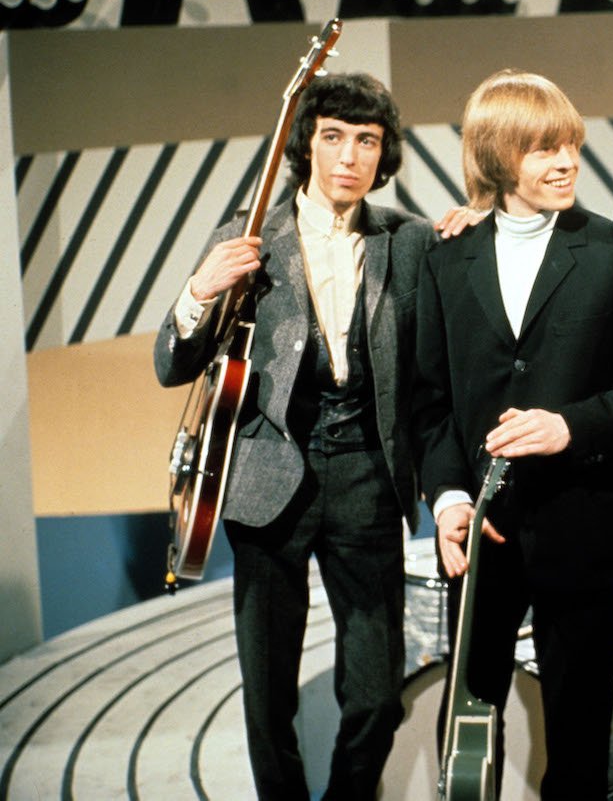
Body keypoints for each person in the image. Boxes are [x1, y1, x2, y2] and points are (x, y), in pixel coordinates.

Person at [154, 72, 435, 800]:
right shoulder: (246, 237)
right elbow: (171, 362)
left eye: (366, 140)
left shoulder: (409, 240)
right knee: (267, 692)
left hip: (368, 482)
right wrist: (200, 290)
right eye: (333, 136)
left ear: (384, 153)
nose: (349, 155)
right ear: (306, 144)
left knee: (375, 693)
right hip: (267, 482)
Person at [413, 69, 613, 801]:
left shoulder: (607, 254)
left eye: (571, 145)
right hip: (480, 540)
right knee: (467, 727)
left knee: (580, 740)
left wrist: (569, 426)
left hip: (581, 533)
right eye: (543, 150)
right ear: (498, 157)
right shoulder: (444, 261)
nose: (566, 162)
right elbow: (430, 405)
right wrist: (446, 502)